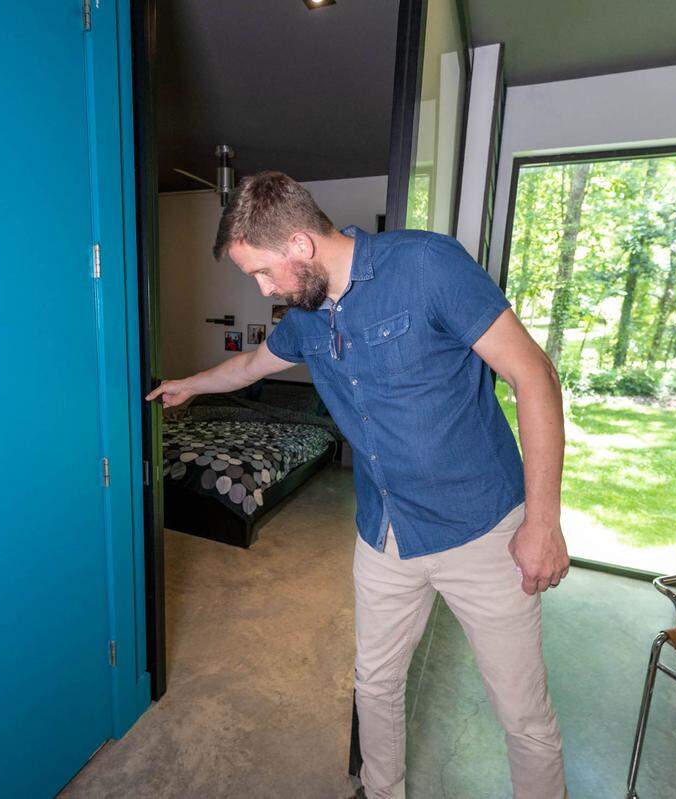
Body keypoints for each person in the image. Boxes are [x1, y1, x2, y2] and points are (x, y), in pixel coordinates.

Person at [147, 172, 569, 799]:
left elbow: (535, 377)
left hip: (482, 528)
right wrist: (189, 385)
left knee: (522, 714)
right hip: (385, 530)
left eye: (263, 273)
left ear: (299, 244)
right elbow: (247, 366)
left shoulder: (426, 265)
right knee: (374, 682)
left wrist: (543, 522)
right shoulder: (306, 316)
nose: (264, 290)